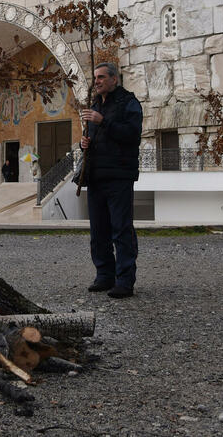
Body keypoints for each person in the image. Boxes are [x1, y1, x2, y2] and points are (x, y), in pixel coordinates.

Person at [76, 62, 143, 299]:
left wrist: (103, 121)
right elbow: (95, 137)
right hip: (96, 175)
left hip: (119, 175)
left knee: (121, 229)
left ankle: (125, 280)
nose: (97, 81)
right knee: (99, 230)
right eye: (95, 78)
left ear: (114, 79)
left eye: (102, 77)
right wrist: (85, 143)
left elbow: (132, 135)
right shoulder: (96, 104)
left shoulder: (128, 103)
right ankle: (105, 275)